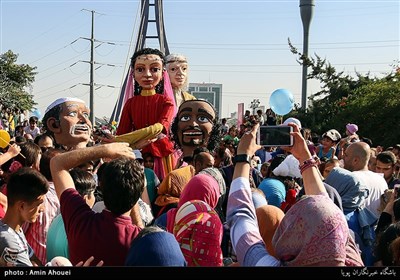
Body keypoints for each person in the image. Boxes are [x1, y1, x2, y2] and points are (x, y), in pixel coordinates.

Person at [226, 122, 364, 266]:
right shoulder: (349, 257)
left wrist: (243, 157)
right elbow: (329, 216)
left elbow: (239, 215)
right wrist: (304, 156)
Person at [50, 142, 142, 266]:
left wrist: (105, 150)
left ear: (101, 187)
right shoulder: (140, 242)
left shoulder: (80, 221)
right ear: (137, 196)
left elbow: (57, 163)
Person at [115, 48, 177, 180]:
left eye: (154, 69)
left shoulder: (167, 102)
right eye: (140, 69)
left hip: (161, 155)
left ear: (162, 73)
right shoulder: (130, 104)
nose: (147, 74)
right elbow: (121, 133)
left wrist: (120, 140)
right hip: (136, 155)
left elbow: (159, 128)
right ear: (133, 73)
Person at [0, 168, 47, 266]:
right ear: (21, 206)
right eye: (38, 204)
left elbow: (33, 258)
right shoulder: (8, 239)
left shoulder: (15, 230)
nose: (42, 209)